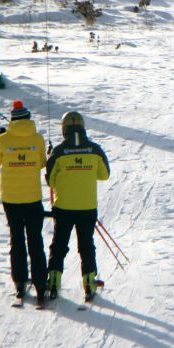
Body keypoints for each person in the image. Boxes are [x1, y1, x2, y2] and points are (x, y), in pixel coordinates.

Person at [0, 100, 49, 306]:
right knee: (35, 240)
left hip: (11, 199)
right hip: (32, 198)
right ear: (28, 118)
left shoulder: (3, 140)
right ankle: (41, 284)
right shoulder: (38, 139)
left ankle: (19, 281)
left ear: (12, 119)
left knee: (17, 239)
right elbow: (41, 163)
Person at [45, 111, 110, 302]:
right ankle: (89, 283)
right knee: (86, 245)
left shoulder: (59, 151)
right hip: (87, 207)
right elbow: (104, 175)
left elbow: (50, 180)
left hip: (64, 206)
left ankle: (54, 282)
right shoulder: (94, 149)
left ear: (64, 129)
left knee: (59, 245)